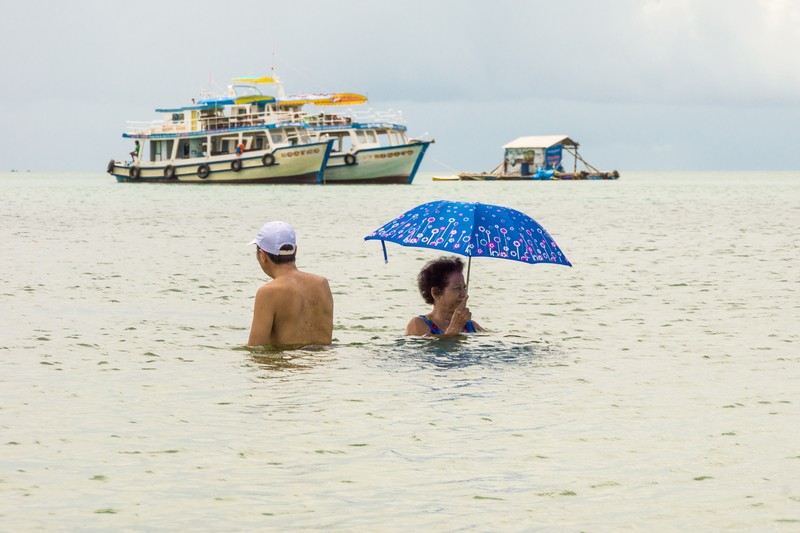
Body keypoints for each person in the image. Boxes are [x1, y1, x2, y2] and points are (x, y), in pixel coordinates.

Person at [247, 221, 334, 346]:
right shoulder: (322, 284)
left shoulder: (268, 292)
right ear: (295, 250)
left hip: (287, 364)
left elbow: (255, 349)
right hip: (323, 363)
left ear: (262, 255)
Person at [405, 256, 484, 337]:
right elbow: (427, 347)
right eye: (457, 288)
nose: (464, 294)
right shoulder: (418, 324)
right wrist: (454, 329)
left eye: (464, 288)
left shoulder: (471, 326)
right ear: (436, 292)